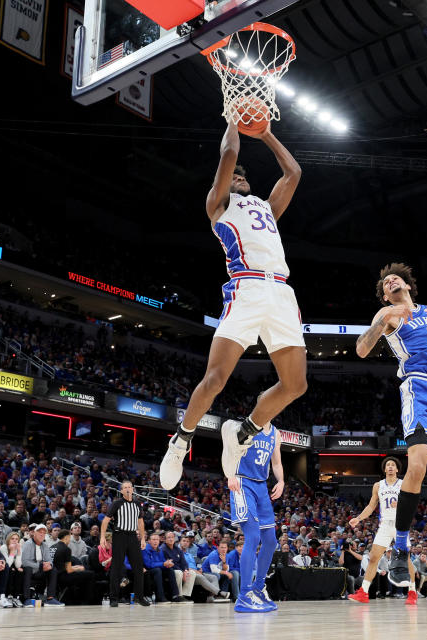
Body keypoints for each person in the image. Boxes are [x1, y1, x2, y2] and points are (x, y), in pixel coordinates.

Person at [160, 120, 305, 490]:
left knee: (295, 385)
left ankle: (243, 433)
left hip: (282, 293)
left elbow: (294, 172)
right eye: (233, 178)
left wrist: (267, 133)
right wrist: (233, 118)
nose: (239, 178)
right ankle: (181, 440)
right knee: (215, 378)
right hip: (247, 287)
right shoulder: (218, 206)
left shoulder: (266, 208)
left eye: (243, 177)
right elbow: (229, 153)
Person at [355, 263, 427, 605]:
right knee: (417, 467)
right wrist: (382, 320)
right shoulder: (388, 313)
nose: (390, 281)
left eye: (394, 278)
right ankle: (400, 547)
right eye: (384, 282)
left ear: (407, 283)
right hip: (417, 387)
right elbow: (361, 349)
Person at [227, 420, 283, 612]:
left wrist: (281, 481)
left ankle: (259, 588)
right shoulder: (246, 425)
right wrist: (229, 474)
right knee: (252, 536)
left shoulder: (276, 433)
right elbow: (229, 449)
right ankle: (244, 595)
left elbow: (276, 462)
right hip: (242, 482)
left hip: (261, 486)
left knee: (270, 540)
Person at [347, 457, 418, 605]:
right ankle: (364, 592)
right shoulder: (378, 486)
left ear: (397, 470)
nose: (390, 467)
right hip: (385, 525)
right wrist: (358, 518)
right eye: (388, 465)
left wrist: (401, 503)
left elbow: (412, 503)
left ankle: (412, 591)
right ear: (385, 469)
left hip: (401, 525)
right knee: (373, 557)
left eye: (393, 465)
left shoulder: (403, 484)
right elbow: (371, 506)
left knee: (406, 559)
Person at [100, 481, 151, 606]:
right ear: (121, 491)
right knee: (116, 567)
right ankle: (113, 598)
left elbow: (140, 523)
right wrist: (102, 537)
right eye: (125, 487)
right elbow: (105, 521)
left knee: (139, 567)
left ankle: (139, 597)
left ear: (133, 489)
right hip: (119, 535)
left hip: (133, 536)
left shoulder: (137, 504)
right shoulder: (116, 503)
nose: (128, 489)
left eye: (129, 487)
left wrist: (143, 539)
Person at [53, 529, 95, 605]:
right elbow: (69, 570)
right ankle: (86, 601)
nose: (70, 539)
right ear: (66, 537)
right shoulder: (66, 549)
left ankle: (75, 599)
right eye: (70, 537)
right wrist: (78, 568)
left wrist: (75, 567)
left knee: (80, 574)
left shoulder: (52, 547)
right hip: (63, 577)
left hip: (53, 576)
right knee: (90, 574)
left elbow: (59, 565)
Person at [143, 531, 182, 603]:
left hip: (158, 569)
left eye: (157, 540)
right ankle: (160, 597)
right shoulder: (145, 549)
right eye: (153, 539)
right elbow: (149, 564)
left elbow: (163, 561)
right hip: (147, 571)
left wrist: (168, 564)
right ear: (149, 541)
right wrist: (163, 564)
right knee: (157, 570)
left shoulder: (160, 550)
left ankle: (175, 595)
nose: (155, 541)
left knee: (170, 570)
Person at [0, 530, 25, 607]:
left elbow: (18, 565)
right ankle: (8, 596)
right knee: (11, 570)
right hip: (2, 568)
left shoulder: (18, 548)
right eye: (12, 538)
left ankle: (16, 597)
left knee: (20, 570)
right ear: (8, 539)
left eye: (16, 539)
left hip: (11, 567)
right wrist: (12, 551)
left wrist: (19, 551)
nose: (14, 540)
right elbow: (7, 565)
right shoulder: (3, 548)